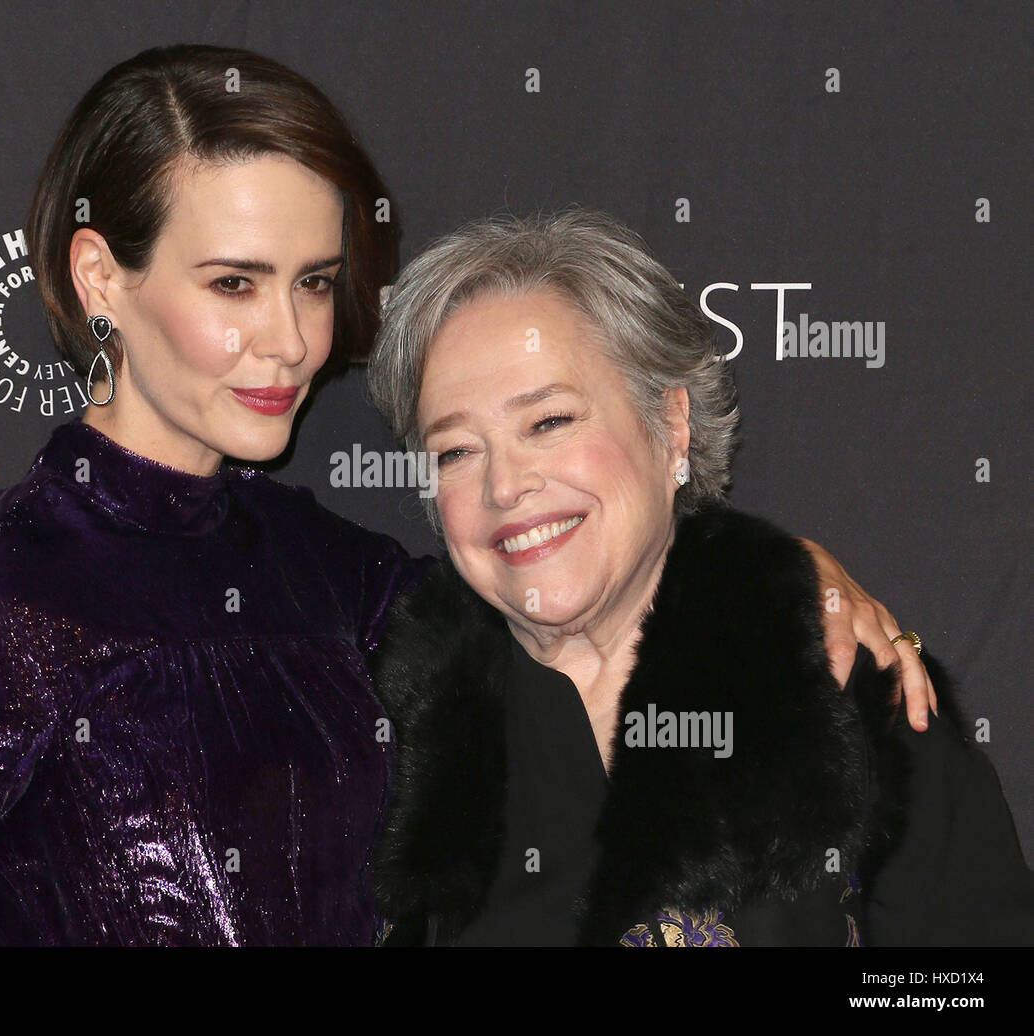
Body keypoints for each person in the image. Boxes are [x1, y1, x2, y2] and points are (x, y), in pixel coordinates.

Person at [0, 47, 928, 947]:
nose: (292, 341)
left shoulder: (329, 565)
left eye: (313, 280)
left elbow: (570, 592)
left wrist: (780, 566)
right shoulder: (5, 599)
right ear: (101, 276)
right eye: (233, 283)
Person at [364, 208, 1034, 946]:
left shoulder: (843, 680)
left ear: (671, 425)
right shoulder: (385, 731)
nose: (505, 485)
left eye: (549, 421)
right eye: (456, 450)